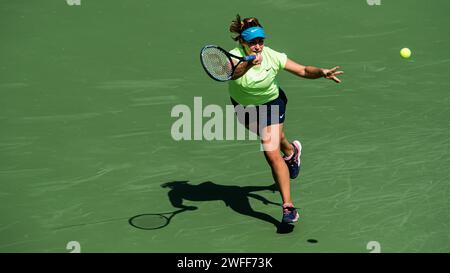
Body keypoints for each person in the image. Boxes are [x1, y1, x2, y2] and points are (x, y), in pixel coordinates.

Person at [228, 15, 343, 223]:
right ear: (242, 42)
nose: (257, 46)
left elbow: (303, 70)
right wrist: (249, 63)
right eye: (252, 43)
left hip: (272, 103)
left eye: (260, 42)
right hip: (244, 107)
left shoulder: (273, 56)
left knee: (270, 151)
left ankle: (288, 207)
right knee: (277, 138)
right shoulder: (233, 56)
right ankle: (291, 151)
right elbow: (234, 74)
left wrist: (321, 72)